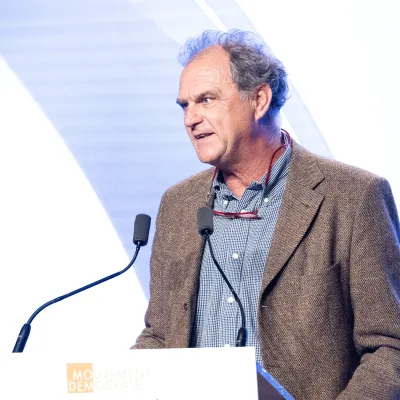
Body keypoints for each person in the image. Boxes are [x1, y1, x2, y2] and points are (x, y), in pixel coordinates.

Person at [133, 30, 400, 399]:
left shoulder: (353, 197)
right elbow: (162, 335)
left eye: (206, 100)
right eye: (184, 106)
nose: (190, 119)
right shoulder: (179, 205)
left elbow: (390, 347)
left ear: (258, 100)